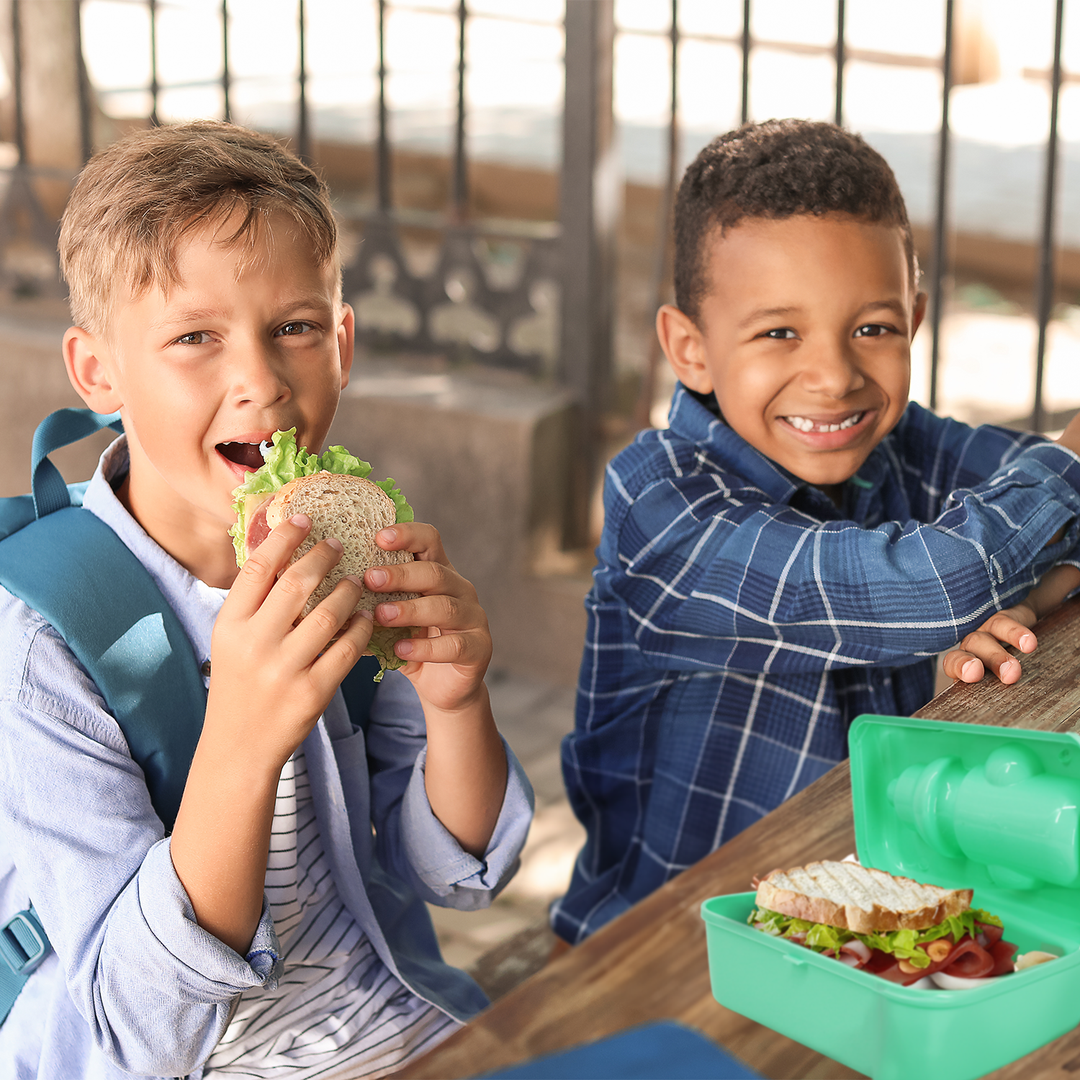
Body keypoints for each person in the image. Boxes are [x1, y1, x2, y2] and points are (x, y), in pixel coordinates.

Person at [0, 120, 533, 1078]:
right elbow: (135, 1032)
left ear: (342, 340)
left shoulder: (347, 551)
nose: (260, 381)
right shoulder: (45, 649)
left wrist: (458, 705)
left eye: (294, 328)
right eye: (194, 337)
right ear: (98, 372)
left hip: (400, 1020)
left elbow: (451, 875)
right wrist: (242, 737)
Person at [551, 118, 1080, 947]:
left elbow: (1025, 542)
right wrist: (1055, 487)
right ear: (688, 350)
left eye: (872, 327)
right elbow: (933, 581)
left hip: (880, 928)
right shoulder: (657, 501)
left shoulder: (915, 452)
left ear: (916, 318)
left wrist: (1032, 581)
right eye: (777, 333)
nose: (834, 376)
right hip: (666, 948)